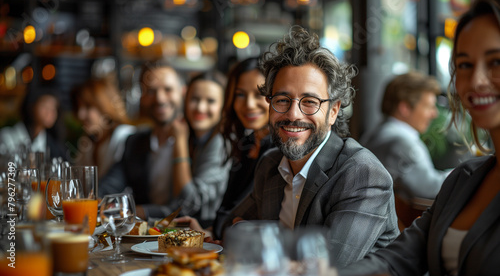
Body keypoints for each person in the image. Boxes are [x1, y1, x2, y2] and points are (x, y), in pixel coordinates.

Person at [340, 0, 500, 275]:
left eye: (496, 61)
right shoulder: (463, 179)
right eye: (464, 65)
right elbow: (396, 259)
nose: (476, 81)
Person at [222, 26, 399, 268]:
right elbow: (229, 228)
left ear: (334, 111)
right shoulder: (271, 164)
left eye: (310, 102)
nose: (293, 114)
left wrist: (257, 240)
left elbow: (324, 268)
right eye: (283, 100)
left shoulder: (362, 174)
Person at [101, 61, 228, 226]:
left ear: (183, 93)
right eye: (151, 91)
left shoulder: (200, 140)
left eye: (167, 89)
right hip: (143, 239)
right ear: (142, 96)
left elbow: (189, 206)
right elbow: (110, 186)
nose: (160, 99)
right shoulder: (135, 142)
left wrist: (138, 211)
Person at [174, 57, 275, 240]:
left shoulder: (278, 151)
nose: (249, 104)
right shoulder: (246, 144)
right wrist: (210, 231)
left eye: (259, 94)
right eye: (240, 94)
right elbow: (229, 210)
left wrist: (216, 231)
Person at [360, 72, 450, 199]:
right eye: (429, 107)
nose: (434, 114)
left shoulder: (376, 134)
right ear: (405, 108)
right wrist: (468, 173)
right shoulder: (403, 144)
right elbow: (432, 188)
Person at [165, 70, 231, 227]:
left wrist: (179, 142)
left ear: (224, 106)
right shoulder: (195, 139)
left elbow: (189, 204)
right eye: (195, 99)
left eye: (211, 101)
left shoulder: (221, 142)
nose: (201, 107)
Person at [70, 78, 136, 179]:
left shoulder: (124, 136)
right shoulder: (89, 142)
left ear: (105, 106)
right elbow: (74, 182)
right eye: (78, 108)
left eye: (88, 107)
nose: (80, 115)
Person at [0, 89, 67, 160]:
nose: (50, 112)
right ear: (31, 107)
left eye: (54, 108)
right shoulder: (7, 136)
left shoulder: (52, 144)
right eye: (45, 106)